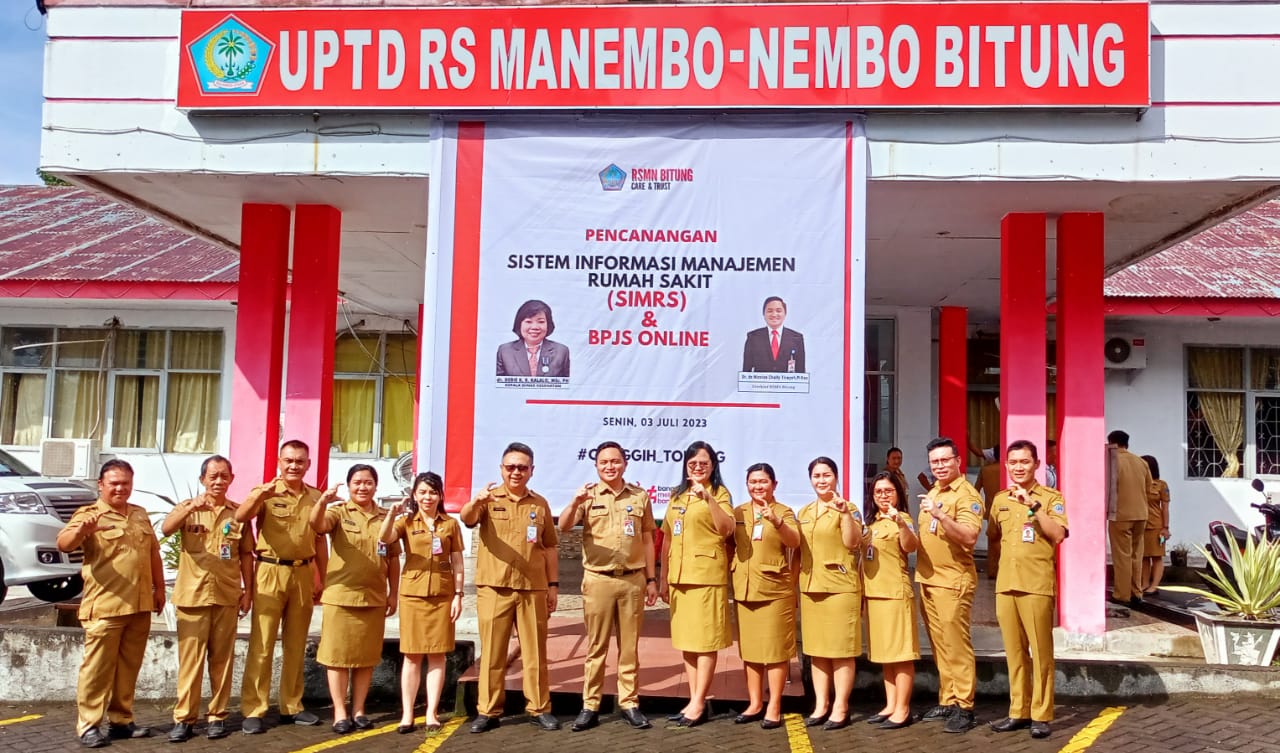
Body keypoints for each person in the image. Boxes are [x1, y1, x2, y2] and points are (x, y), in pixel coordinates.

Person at [57, 460, 165, 748]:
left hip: (139, 604)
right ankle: (88, 726)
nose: (120, 488)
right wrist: (82, 531)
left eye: (125, 483)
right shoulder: (89, 515)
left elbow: (153, 552)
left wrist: (160, 588)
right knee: (97, 669)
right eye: (114, 483)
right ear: (101, 485)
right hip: (105, 605)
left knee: (129, 667)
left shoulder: (139, 514)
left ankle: (121, 721)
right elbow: (64, 543)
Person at [558, 441, 659, 732]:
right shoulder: (587, 496)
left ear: (625, 464)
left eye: (615, 461)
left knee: (629, 647)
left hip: (632, 580)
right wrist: (576, 503)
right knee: (596, 647)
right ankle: (590, 705)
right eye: (604, 462)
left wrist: (652, 580)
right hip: (598, 579)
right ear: (596, 466)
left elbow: (648, 540)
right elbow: (564, 526)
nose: (610, 466)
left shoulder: (639, 496)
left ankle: (629, 702)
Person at [460, 442, 560, 733]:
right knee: (492, 652)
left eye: (522, 467)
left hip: (532, 588)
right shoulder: (488, 499)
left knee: (535, 652)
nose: (516, 472)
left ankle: (539, 708)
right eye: (510, 467)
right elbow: (467, 519)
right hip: (495, 587)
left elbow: (550, 547)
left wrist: (553, 586)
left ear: (531, 471)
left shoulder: (539, 503)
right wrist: (477, 502)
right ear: (501, 469)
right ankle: (488, 711)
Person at [234, 440, 329, 734]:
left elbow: (319, 540)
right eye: (288, 460)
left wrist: (322, 578)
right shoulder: (265, 492)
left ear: (308, 464)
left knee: (296, 643)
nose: (294, 466)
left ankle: (292, 705)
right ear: (279, 461)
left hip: (302, 572)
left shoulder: (315, 497)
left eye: (300, 461)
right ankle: (254, 708)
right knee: (262, 643)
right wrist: (259, 495)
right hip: (269, 571)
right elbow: (241, 517)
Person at [161, 456, 254, 742]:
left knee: (222, 660)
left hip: (226, 594)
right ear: (202, 479)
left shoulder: (238, 514)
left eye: (224, 476)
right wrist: (191, 507)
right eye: (212, 476)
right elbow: (165, 529)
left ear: (231, 479)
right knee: (191, 661)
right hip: (193, 595)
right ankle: (185, 718)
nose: (218, 481)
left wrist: (247, 590)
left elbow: (247, 553)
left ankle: (217, 716)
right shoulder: (188, 509)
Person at [310, 465, 400, 734]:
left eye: (368, 482)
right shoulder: (338, 512)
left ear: (376, 485)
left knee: (366, 658)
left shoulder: (386, 516)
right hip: (340, 596)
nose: (363, 487)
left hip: (373, 598)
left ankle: (359, 709)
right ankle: (340, 712)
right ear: (349, 486)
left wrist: (393, 593)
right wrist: (323, 501)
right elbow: (317, 525)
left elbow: (393, 558)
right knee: (337, 657)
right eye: (357, 482)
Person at [988, 440, 1068, 740]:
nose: (1019, 467)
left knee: (1041, 652)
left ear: (1036, 464)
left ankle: (1041, 714)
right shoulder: (999, 500)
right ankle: (1018, 711)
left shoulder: (1050, 498)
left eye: (1025, 461)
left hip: (1036, 585)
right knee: (1014, 652)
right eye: (1014, 462)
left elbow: (1058, 534)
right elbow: (994, 536)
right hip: (1006, 584)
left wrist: (1033, 506)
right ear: (1006, 465)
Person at [379, 471, 464, 735]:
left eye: (433, 492)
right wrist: (392, 514)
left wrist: (458, 595)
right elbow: (384, 538)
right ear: (415, 495)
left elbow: (458, 562)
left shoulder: (450, 524)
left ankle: (431, 713)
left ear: (440, 495)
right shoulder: (405, 522)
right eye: (423, 492)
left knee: (437, 655)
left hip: (442, 596)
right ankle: (407, 714)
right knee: (412, 655)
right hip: (413, 596)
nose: (428, 497)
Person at [659, 440, 735, 727]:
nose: (698, 467)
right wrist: (664, 576)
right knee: (688, 643)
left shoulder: (719, 493)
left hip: (705, 577)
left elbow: (726, 529)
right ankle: (693, 699)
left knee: (705, 643)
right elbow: (666, 537)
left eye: (703, 463)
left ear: (713, 465)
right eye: (693, 463)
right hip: (680, 578)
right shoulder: (678, 496)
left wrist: (709, 500)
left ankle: (699, 702)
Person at [916, 437, 984, 734]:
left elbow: (969, 537)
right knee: (940, 645)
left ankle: (965, 706)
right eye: (935, 462)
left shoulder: (966, 495)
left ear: (958, 461)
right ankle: (948, 698)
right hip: (928, 580)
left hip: (953, 581)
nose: (940, 466)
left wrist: (940, 514)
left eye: (945, 460)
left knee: (957, 645)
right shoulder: (934, 491)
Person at [730, 463, 800, 730]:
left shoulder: (784, 511)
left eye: (763, 482)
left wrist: (776, 521)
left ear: (774, 484)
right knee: (750, 650)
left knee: (775, 651)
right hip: (745, 588)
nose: (758, 486)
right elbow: (729, 544)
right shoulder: (739, 512)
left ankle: (774, 705)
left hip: (775, 590)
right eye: (753, 482)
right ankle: (755, 702)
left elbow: (794, 541)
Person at [795, 457, 862, 731]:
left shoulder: (850, 508)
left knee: (841, 650)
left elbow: (853, 542)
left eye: (826, 475)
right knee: (817, 651)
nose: (821, 480)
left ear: (836, 477)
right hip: (811, 587)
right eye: (816, 476)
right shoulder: (805, 512)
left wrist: (844, 513)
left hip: (839, 587)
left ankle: (841, 706)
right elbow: (798, 553)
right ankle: (821, 704)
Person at [863, 471, 920, 730]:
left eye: (888, 491)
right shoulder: (871, 522)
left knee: (901, 654)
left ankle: (903, 708)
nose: (883, 496)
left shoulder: (903, 518)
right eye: (878, 492)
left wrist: (900, 523)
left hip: (895, 594)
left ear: (897, 493)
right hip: (874, 594)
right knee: (886, 654)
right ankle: (890, 703)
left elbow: (910, 546)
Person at [1107, 430, 1154, 607]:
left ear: (1111, 443)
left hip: (1120, 513)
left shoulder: (1112, 461)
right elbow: (1149, 487)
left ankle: (1122, 594)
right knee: (1136, 554)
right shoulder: (1141, 462)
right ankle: (1137, 592)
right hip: (1141, 513)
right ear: (1127, 443)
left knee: (1122, 556)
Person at [496, 299, 570, 378]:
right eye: (528, 322)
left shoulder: (561, 352)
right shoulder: (505, 351)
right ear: (519, 324)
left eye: (541, 322)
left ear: (548, 324)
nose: (534, 327)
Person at [741, 296, 806, 373]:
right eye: (770, 311)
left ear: (785, 313)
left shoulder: (796, 338)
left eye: (778, 311)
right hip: (760, 385)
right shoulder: (753, 337)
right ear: (764, 314)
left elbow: (800, 372)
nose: (774, 314)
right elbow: (746, 372)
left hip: (786, 385)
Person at [1140, 455, 1170, 595]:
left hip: (1157, 526)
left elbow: (1165, 508)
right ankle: (1144, 584)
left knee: (1156, 556)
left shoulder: (1161, 485)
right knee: (1144, 556)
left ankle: (1154, 586)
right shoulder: (1138, 483)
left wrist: (1165, 527)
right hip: (1141, 524)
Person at [973, 451, 1003, 579]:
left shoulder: (985, 470)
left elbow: (976, 490)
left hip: (991, 509)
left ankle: (992, 571)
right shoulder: (1008, 470)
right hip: (1009, 509)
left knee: (992, 543)